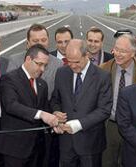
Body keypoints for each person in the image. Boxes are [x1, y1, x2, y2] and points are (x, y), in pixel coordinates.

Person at [51, 39, 113, 167]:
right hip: (66, 143)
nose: (72, 66)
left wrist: (79, 124)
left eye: (77, 62)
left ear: (87, 56)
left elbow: (104, 110)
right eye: (69, 61)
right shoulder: (61, 73)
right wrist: (56, 112)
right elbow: (55, 99)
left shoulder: (103, 76)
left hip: (91, 143)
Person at [0, 44, 59, 167]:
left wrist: (55, 122)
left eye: (45, 65)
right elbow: (11, 105)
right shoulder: (9, 79)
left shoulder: (42, 84)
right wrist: (41, 114)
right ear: (28, 59)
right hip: (14, 149)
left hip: (36, 148)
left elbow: (45, 110)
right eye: (39, 64)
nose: (42, 69)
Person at [100, 34, 136, 167]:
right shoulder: (103, 69)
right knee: (107, 162)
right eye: (116, 49)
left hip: (133, 127)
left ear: (133, 53)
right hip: (110, 126)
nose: (117, 54)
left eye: (123, 51)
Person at [8, 23, 63, 99]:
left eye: (43, 40)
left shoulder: (58, 64)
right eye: (35, 41)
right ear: (28, 43)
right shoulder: (15, 61)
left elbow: (58, 95)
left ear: (48, 41)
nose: (40, 43)